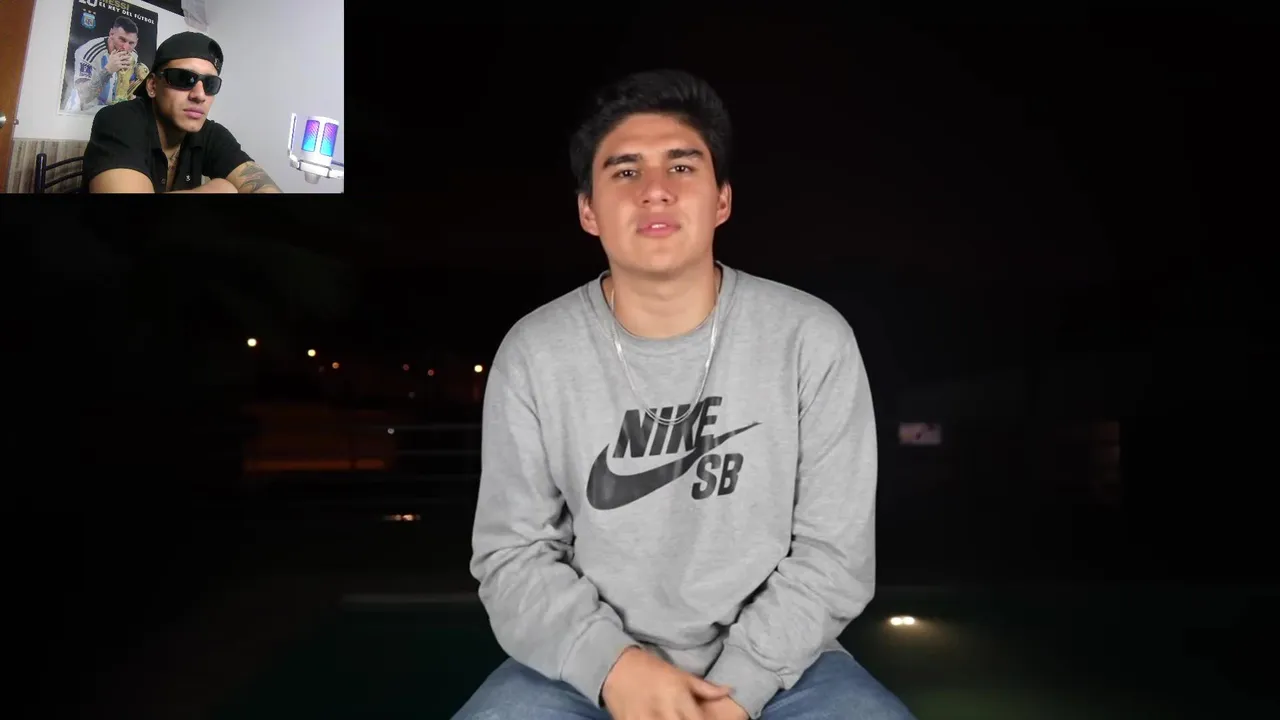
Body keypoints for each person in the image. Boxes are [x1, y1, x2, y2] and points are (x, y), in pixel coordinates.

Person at [453, 70, 916, 720]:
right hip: (587, 669)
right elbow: (513, 554)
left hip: (785, 672)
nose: (655, 190)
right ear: (588, 211)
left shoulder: (810, 338)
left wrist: (736, 690)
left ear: (721, 199)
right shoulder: (536, 353)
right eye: (624, 171)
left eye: (681, 167)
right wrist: (615, 669)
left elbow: (834, 555)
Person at [83, 31, 281, 194]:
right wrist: (218, 189)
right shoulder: (118, 121)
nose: (200, 95)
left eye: (210, 84)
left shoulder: (211, 134)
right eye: (183, 78)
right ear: (152, 86)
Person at [66, 15, 149, 112]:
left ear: (136, 42)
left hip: (113, 111)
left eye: (131, 43)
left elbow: (127, 86)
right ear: (111, 33)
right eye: (122, 40)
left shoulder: (133, 54)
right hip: (86, 112)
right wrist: (108, 70)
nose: (126, 48)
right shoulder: (88, 52)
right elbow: (83, 96)